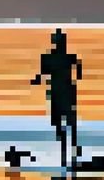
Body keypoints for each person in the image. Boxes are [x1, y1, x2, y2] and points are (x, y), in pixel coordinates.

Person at [32, 29, 83, 167]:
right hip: (62, 93)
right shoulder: (61, 57)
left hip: (62, 93)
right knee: (64, 123)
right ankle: (67, 152)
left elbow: (78, 67)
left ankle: (69, 151)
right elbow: (43, 74)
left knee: (67, 123)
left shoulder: (56, 57)